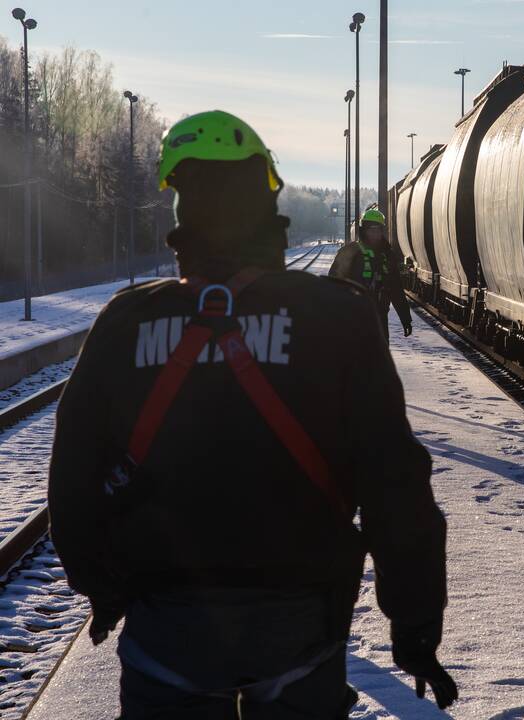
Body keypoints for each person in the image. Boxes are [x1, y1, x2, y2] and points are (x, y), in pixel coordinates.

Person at [48, 110, 457, 719]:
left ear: (179, 206)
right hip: (300, 626)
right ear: (269, 198)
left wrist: (105, 591)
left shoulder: (123, 323)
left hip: (166, 632)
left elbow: (73, 483)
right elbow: (397, 487)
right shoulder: (336, 317)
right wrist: (415, 629)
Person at [329, 209, 413, 341]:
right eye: (371, 230)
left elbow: (396, 289)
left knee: (379, 357)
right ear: (364, 230)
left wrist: (405, 318)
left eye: (378, 230)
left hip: (379, 318)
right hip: (353, 318)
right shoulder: (350, 252)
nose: (375, 234)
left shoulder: (387, 255)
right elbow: (333, 285)